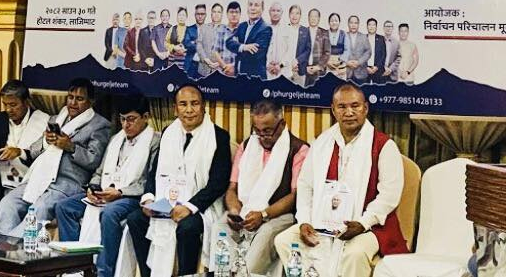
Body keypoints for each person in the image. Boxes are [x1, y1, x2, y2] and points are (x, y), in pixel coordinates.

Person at [275, 83, 409, 277]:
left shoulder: (383, 145)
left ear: (365, 108)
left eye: (355, 106)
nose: (349, 112)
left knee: (354, 253)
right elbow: (305, 185)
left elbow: (389, 196)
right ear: (333, 110)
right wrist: (304, 221)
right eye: (342, 107)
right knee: (284, 240)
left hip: (370, 227)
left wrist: (362, 223)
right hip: (323, 223)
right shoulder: (322, 143)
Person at [125, 84, 231, 277]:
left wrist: (189, 207)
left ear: (203, 106)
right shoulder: (168, 132)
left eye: (194, 104)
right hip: (166, 202)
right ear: (175, 109)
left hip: (201, 206)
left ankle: (185, 274)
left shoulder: (218, 136)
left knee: (187, 227)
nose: (189, 110)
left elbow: (218, 183)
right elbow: (154, 172)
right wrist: (149, 198)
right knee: (136, 219)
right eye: (183, 104)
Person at [55, 95, 159, 277]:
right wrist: (93, 187)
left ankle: (104, 273)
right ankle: (73, 267)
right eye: (122, 119)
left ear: (146, 117)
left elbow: (149, 181)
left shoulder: (155, 141)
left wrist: (120, 192)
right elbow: (99, 171)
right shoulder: (116, 139)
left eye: (131, 119)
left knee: (110, 213)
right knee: (64, 207)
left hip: (131, 197)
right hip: (105, 192)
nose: (126, 125)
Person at [0, 78, 110, 237]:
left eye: (79, 99)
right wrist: (45, 141)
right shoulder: (56, 119)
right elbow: (34, 151)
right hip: (40, 178)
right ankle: (2, 245)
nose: (73, 103)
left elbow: (94, 160)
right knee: (8, 203)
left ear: (91, 101)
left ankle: (15, 246)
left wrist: (70, 146)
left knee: (40, 209)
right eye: (70, 97)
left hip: (67, 184)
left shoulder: (100, 125)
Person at [220, 99, 309, 274]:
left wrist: (263, 215)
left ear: (282, 124)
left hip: (280, 215)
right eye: (257, 131)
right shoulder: (247, 146)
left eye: (267, 131)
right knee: (220, 227)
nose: (262, 137)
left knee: (266, 234)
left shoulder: (299, 150)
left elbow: (295, 196)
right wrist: (234, 211)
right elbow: (232, 188)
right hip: (246, 212)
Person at [0, 80, 49, 229]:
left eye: (13, 105)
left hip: (27, 176)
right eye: (5, 104)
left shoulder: (43, 121)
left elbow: (44, 157)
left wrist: (20, 152)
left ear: (26, 102)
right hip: (1, 175)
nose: (8, 110)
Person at [226, 0, 273, 79]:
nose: (252, 8)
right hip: (238, 76)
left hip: (255, 79)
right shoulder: (242, 26)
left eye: (256, 5)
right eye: (250, 5)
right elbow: (228, 42)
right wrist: (243, 47)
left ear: (262, 9)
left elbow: (255, 55)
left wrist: (237, 47)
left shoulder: (265, 29)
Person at [296, 8, 331, 88]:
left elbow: (327, 53)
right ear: (308, 18)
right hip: (304, 70)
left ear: (319, 18)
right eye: (311, 16)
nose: (313, 19)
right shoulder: (303, 32)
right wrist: (304, 68)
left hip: (319, 71)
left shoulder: (324, 33)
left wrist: (318, 66)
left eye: (315, 16)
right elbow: (299, 52)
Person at [266, 2, 295, 80]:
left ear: (282, 13)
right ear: (269, 12)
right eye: (273, 10)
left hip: (284, 73)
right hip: (267, 73)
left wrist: (280, 65)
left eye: (278, 11)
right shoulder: (264, 29)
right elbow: (260, 50)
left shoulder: (288, 29)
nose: (275, 13)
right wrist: (267, 65)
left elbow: (291, 51)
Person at [196, 3, 224, 79]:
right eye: (214, 12)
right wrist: (205, 59)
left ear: (222, 14)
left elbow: (229, 50)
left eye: (219, 12)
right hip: (203, 69)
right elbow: (199, 44)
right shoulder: (204, 27)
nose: (216, 14)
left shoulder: (226, 30)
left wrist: (219, 63)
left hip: (220, 71)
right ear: (211, 13)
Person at [343, 16, 372, 84]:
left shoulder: (363, 37)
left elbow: (368, 52)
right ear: (348, 24)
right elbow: (339, 52)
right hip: (346, 73)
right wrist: (347, 62)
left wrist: (359, 62)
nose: (353, 25)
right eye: (351, 23)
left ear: (358, 24)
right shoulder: (343, 36)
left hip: (361, 73)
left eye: (356, 23)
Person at [219, 1, 242, 76]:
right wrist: (225, 68)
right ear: (227, 14)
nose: (234, 15)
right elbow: (216, 52)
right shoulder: (221, 30)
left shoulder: (244, 30)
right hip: (223, 72)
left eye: (236, 12)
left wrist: (234, 67)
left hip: (239, 72)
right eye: (231, 12)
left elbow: (246, 54)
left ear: (240, 14)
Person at [365, 18, 388, 85]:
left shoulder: (381, 38)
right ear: (367, 26)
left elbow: (383, 54)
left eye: (373, 25)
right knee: (364, 89)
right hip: (365, 70)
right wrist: (366, 67)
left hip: (378, 70)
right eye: (369, 25)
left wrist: (377, 67)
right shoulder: (362, 38)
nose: (371, 27)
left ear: (376, 27)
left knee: (379, 89)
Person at [183, 5, 205, 74]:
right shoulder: (189, 29)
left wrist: (194, 42)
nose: (200, 16)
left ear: (205, 15)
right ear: (195, 15)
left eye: (202, 14)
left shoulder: (209, 30)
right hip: (191, 65)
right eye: (198, 14)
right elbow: (186, 44)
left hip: (204, 65)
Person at [328, 13, 348, 79]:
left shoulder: (344, 34)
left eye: (336, 21)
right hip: (328, 64)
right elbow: (321, 50)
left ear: (339, 22)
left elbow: (347, 50)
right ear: (329, 22)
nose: (334, 23)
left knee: (341, 84)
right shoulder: (325, 33)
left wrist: (340, 60)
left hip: (341, 64)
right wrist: (327, 61)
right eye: (332, 21)